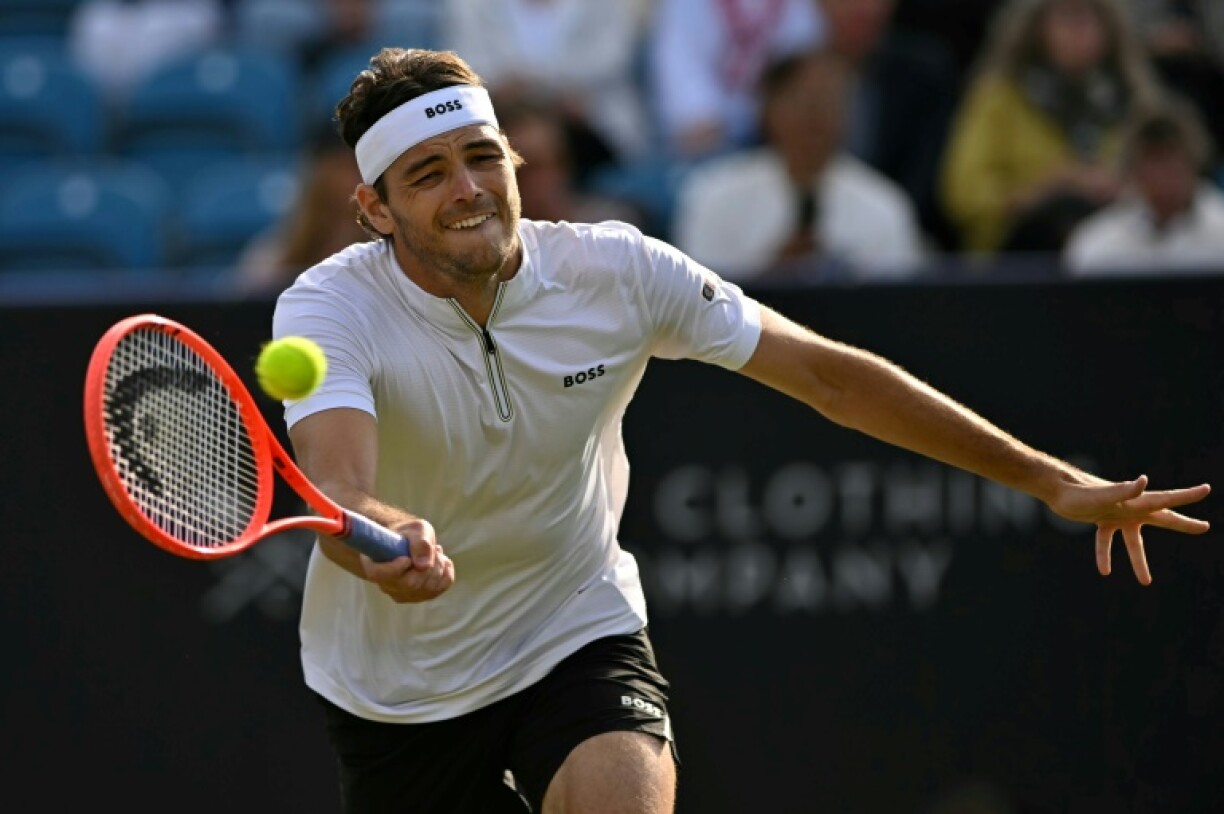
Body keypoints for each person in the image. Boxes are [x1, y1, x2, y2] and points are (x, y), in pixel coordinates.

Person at [272, 46, 1211, 814]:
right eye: (428, 174)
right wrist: (384, 537)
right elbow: (340, 490)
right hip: (399, 694)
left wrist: (1048, 478)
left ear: (514, 159)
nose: (469, 188)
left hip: (571, 631)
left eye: (483, 156)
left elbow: (829, 376)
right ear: (375, 209)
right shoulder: (326, 310)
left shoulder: (617, 270)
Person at [673, 48, 925, 282]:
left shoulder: (884, 207)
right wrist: (774, 275)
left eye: (830, 102)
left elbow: (902, 302)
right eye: (805, 102)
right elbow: (694, 300)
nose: (816, 116)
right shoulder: (714, 198)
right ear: (769, 108)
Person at [939, 0, 1161, 255]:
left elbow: (1171, 180)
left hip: (1121, 252)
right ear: (1037, 27)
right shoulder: (998, 99)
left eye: (1090, 17)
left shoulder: (1136, 102)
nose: (1079, 30)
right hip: (1016, 257)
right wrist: (1048, 189)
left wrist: (1122, 190)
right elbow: (964, 197)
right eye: (1067, 17)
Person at [1064, 99, 1224, 274]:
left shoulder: (1220, 228)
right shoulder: (1096, 243)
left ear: (1193, 161)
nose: (1165, 172)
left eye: (1173, 158)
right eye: (1154, 160)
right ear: (1135, 170)